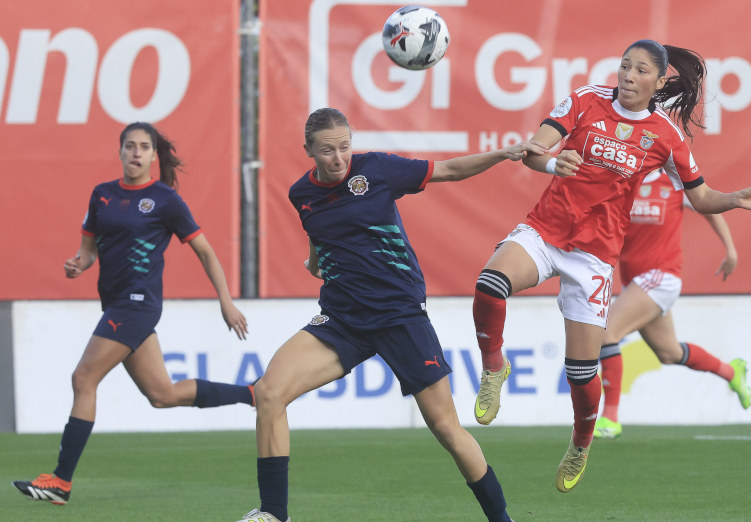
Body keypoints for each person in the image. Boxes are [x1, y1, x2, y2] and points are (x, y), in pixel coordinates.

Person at [470, 39, 751, 493]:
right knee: (490, 282)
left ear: (657, 82)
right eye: (624, 66)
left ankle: (580, 441)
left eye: (640, 71)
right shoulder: (583, 100)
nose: (628, 76)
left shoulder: (666, 136)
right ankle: (494, 367)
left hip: (594, 257)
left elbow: (701, 196)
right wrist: (554, 163)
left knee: (581, 370)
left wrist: (733, 199)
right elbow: (534, 150)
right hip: (547, 231)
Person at [235, 107, 546, 522]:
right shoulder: (300, 194)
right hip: (342, 320)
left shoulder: (377, 169)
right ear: (308, 150)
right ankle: (274, 514)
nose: (339, 158)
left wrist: (504, 152)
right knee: (270, 394)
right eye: (327, 151)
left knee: (447, 430)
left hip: (400, 316)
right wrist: (314, 261)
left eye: (345, 146)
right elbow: (319, 231)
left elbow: (449, 169)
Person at [12, 122, 253, 506]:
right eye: (130, 146)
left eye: (144, 147)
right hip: (116, 303)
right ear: (120, 151)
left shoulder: (165, 200)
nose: (137, 153)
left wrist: (225, 300)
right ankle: (252, 393)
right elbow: (88, 251)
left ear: (155, 156)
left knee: (83, 378)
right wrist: (79, 264)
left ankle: (60, 481)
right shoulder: (102, 196)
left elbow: (205, 251)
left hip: (138, 303)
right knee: (163, 394)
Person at [593, 168, 751, 440]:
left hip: (662, 277)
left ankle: (610, 418)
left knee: (606, 333)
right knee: (669, 353)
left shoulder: (675, 183)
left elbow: (709, 206)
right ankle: (731, 371)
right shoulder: (623, 181)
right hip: (636, 282)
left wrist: (731, 250)